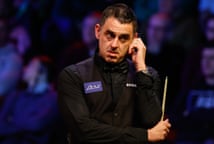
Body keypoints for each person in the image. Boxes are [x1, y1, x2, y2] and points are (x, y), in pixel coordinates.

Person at [57, 3, 171, 144]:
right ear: (98, 31)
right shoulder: (73, 76)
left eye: (123, 38)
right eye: (110, 35)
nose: (114, 44)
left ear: (134, 39)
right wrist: (144, 135)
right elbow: (84, 131)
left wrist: (141, 68)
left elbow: (153, 123)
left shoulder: (147, 75)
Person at [172, 40, 214, 144]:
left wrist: (192, 115)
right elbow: (175, 119)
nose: (206, 62)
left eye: (213, 58)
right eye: (204, 57)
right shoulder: (190, 88)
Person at [0, 55, 63, 144]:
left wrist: (11, 120)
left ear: (41, 71)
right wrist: (25, 123)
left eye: (30, 65)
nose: (25, 68)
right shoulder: (15, 95)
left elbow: (36, 124)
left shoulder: (53, 98)